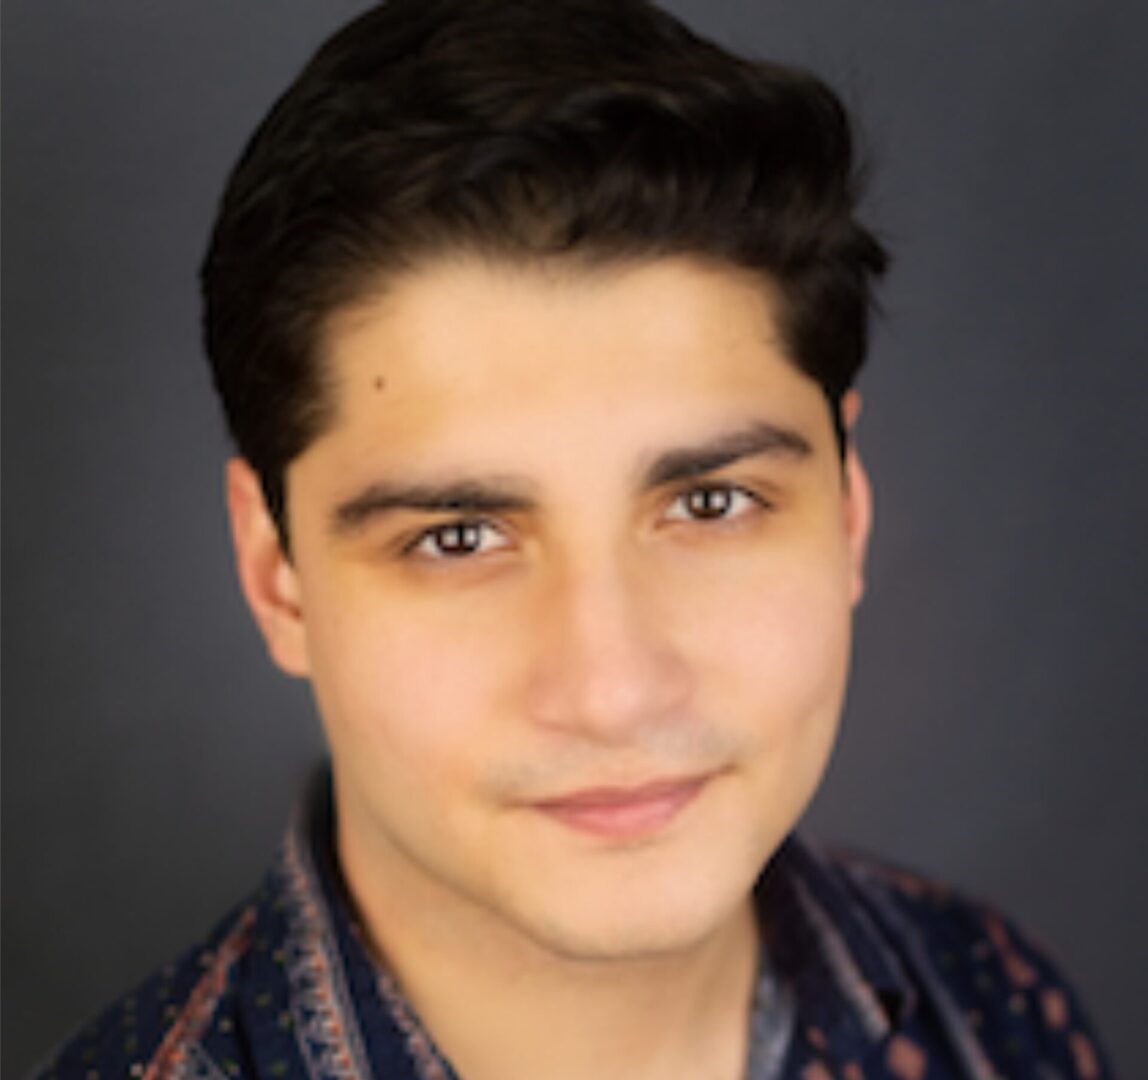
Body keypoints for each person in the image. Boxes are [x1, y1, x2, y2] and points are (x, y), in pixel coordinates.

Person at [42, 1, 1112, 1077]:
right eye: (458, 537)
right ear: (277, 581)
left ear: (846, 512)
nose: (613, 691)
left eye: (709, 504)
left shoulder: (987, 1006)